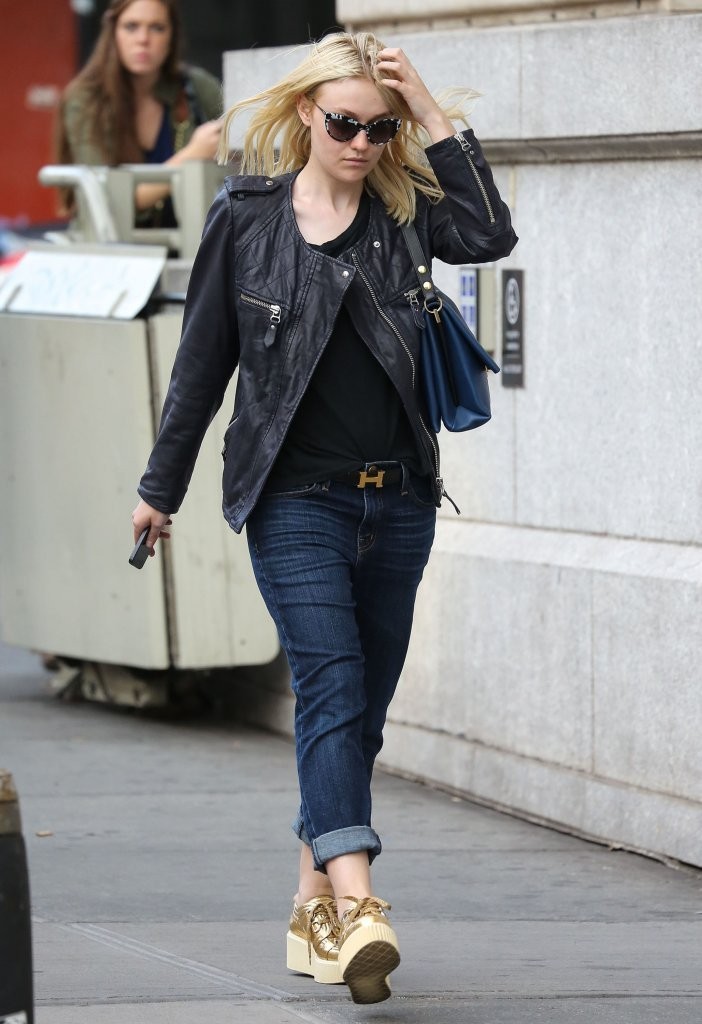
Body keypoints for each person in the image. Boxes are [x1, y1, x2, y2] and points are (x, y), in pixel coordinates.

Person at [132, 31, 517, 1004]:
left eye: (379, 129)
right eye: (345, 123)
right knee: (331, 685)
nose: (360, 143)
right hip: (293, 500)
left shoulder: (406, 212)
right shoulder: (246, 217)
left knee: (357, 714)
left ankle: (310, 906)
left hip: (400, 502)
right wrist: (160, 488)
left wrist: (426, 110)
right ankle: (360, 905)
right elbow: (201, 368)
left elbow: (490, 235)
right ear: (307, 111)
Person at [55, 0, 222, 222]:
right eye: (131, 26)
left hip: (192, 236)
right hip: (109, 239)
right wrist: (192, 156)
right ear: (113, 32)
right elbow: (105, 201)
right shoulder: (86, 98)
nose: (143, 39)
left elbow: (247, 139)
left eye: (157, 28)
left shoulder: (194, 87)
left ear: (172, 35)